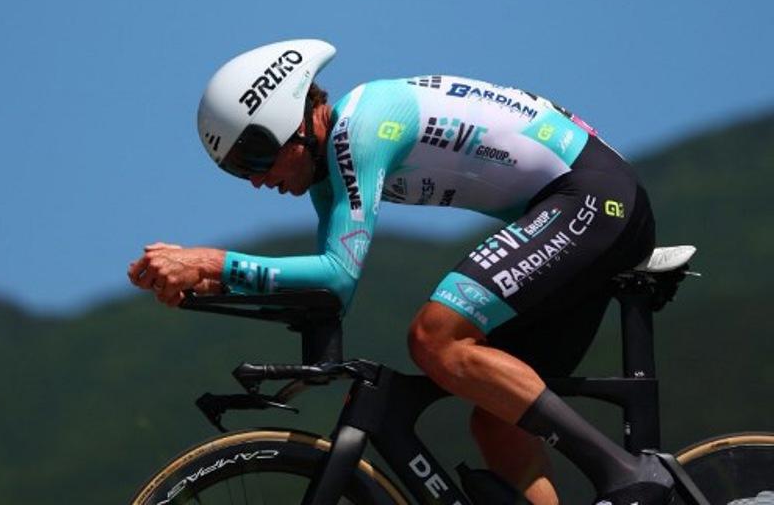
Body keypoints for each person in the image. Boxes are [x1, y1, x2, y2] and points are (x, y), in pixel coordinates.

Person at [128, 39, 672, 505]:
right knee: (496, 419)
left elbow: (335, 276)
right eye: (235, 172)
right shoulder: (330, 173)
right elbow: (328, 297)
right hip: (580, 204)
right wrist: (218, 284)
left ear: (287, 126)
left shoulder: (359, 129)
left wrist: (213, 261)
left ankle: (625, 475)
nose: (252, 182)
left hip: (593, 199)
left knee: (434, 338)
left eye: (252, 161)